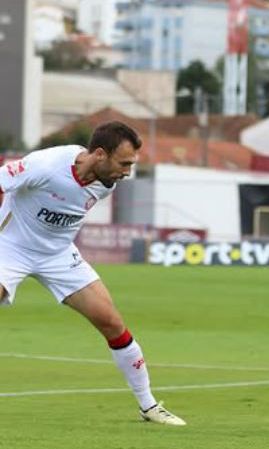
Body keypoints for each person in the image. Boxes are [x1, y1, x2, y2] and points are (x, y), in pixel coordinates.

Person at [0, 122, 185, 425]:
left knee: (112, 323)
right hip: (10, 247)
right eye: (124, 163)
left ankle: (149, 406)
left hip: (59, 255)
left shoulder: (105, 181)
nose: (127, 172)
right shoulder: (45, 165)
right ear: (100, 154)